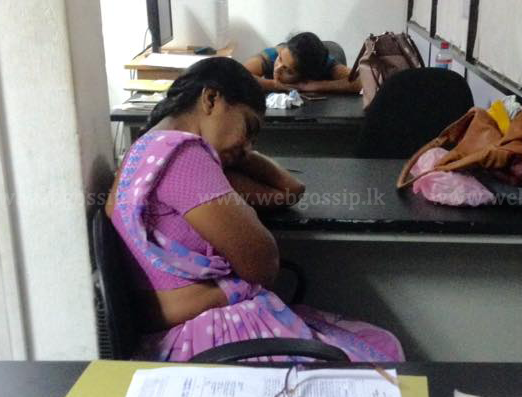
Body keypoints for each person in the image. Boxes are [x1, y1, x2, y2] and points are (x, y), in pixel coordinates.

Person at [106, 57, 403, 362]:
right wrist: (234, 286)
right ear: (211, 98)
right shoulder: (185, 156)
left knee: (378, 343)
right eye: (248, 128)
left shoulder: (141, 153)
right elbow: (263, 265)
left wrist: (240, 153)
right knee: (382, 351)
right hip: (210, 337)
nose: (248, 146)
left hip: (179, 337)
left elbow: (288, 192)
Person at [243, 32, 361, 94]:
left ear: (305, 76)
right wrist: (274, 85)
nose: (277, 69)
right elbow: (237, 76)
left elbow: (362, 81)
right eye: (280, 59)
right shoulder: (271, 56)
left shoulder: (327, 66)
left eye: (288, 71)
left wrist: (314, 86)